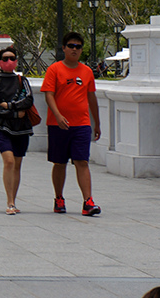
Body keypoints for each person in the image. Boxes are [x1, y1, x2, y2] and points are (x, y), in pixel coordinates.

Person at [42, 31, 102, 216]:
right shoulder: (55, 69)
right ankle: (59, 198)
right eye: (71, 46)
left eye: (78, 47)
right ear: (64, 48)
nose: (74, 50)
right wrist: (58, 116)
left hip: (81, 124)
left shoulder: (86, 72)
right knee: (59, 162)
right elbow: (49, 95)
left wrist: (97, 123)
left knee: (81, 161)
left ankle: (88, 201)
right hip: (58, 124)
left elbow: (91, 98)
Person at [0, 46, 34, 215]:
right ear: (0, 62)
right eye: (5, 59)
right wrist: (14, 112)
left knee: (17, 164)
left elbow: (29, 100)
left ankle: (14, 199)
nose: (9, 61)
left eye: (12, 58)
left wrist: (10, 105)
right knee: (9, 161)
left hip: (21, 128)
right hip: (2, 127)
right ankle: (10, 202)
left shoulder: (22, 81)